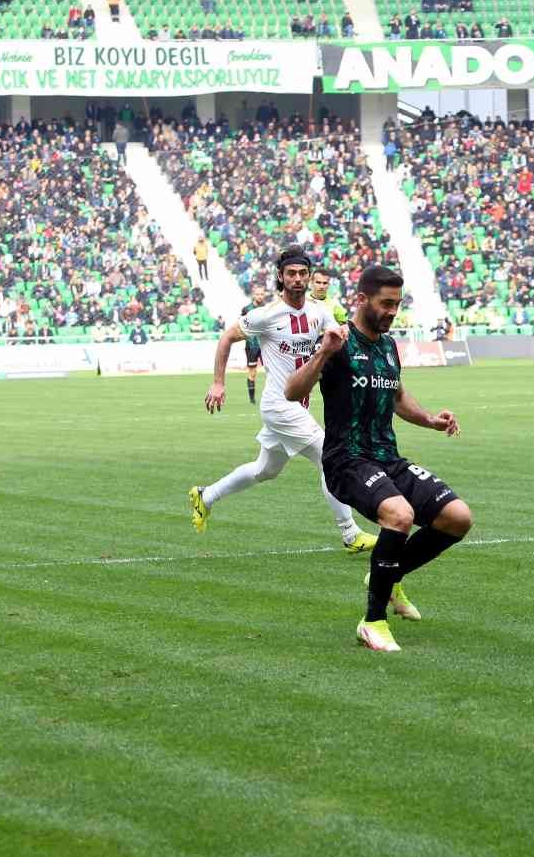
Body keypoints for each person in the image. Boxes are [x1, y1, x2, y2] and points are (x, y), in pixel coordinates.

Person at [284, 265, 473, 653]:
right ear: (361, 300)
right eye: (385, 304)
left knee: (457, 517)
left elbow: (398, 396)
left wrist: (431, 420)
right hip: (346, 460)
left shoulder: (388, 346)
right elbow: (292, 391)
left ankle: (386, 576)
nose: (392, 312)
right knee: (399, 515)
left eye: (396, 304)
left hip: (388, 458)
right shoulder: (337, 341)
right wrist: (322, 353)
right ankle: (372, 622)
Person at [189, 251, 376, 555]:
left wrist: (343, 337)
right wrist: (219, 382)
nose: (297, 279)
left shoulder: (319, 311)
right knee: (332, 459)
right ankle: (350, 533)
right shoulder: (266, 315)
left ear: (309, 276)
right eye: (291, 273)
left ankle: (205, 497)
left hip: (297, 406)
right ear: (280, 276)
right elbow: (226, 339)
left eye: (302, 273)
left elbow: (337, 337)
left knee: (265, 470)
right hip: (279, 406)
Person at [240, 284, 268, 404]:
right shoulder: (246, 309)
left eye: (262, 294)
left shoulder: (268, 308)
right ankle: (252, 399)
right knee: (252, 371)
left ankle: (271, 397)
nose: (260, 296)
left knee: (271, 371)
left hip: (265, 345)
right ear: (253, 295)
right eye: (257, 294)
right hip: (251, 345)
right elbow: (241, 325)